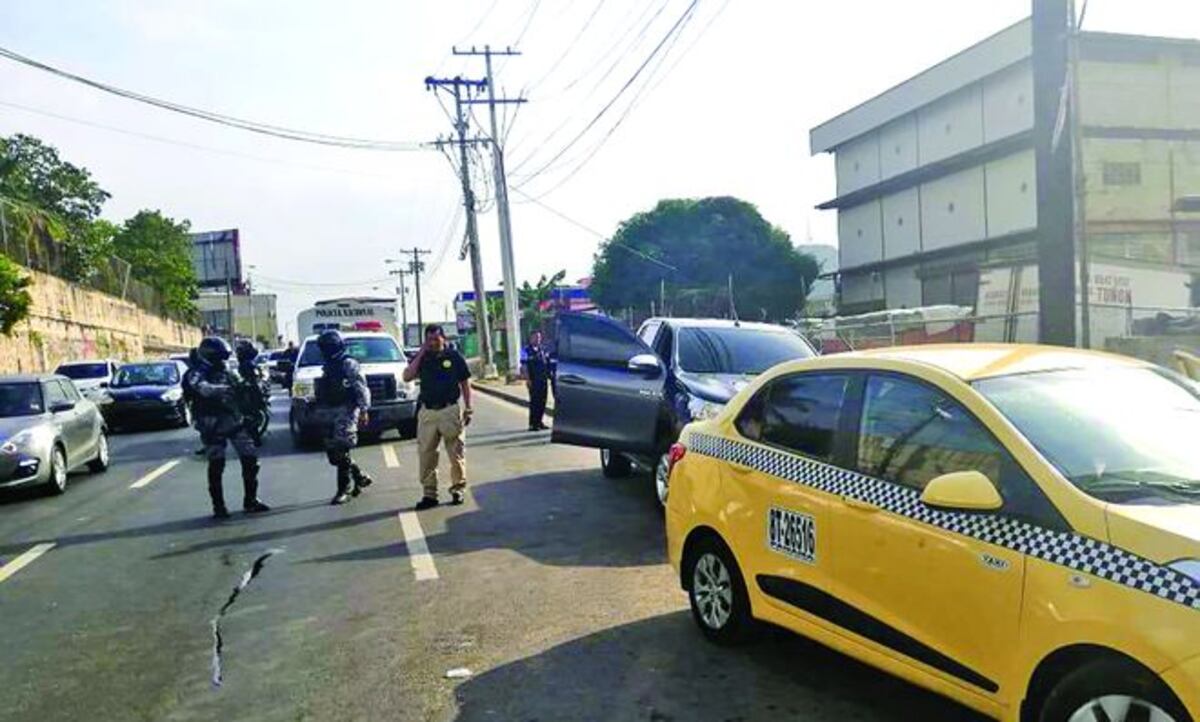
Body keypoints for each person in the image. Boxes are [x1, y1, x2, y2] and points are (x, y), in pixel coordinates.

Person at [188, 337, 270, 519]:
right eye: (219, 357)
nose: (222, 361)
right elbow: (202, 389)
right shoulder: (196, 373)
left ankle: (251, 501)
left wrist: (252, 387)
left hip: (233, 420)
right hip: (211, 423)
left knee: (250, 458)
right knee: (217, 464)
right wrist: (223, 389)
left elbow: (241, 384)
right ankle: (219, 506)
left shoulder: (227, 370)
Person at [403, 324, 472, 510]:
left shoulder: (454, 357)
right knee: (426, 455)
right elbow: (407, 376)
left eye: (436, 338)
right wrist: (420, 353)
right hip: (428, 413)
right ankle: (429, 494)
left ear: (444, 339)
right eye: (429, 339)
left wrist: (468, 407)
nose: (433, 343)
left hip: (449, 411)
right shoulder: (423, 358)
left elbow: (465, 383)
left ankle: (457, 489)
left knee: (455, 453)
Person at [313, 330, 374, 505]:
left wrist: (364, 409)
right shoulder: (327, 365)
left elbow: (361, 386)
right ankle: (359, 476)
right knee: (333, 453)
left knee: (342, 446)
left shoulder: (348, 363)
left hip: (347, 409)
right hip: (330, 409)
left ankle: (343, 490)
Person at [234, 340, 268, 446]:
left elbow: (255, 377)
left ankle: (255, 436)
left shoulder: (248, 363)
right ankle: (254, 436)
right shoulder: (246, 364)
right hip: (248, 391)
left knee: (251, 413)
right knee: (249, 413)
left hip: (250, 391)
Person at [521, 329, 552, 431]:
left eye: (539, 337)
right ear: (531, 338)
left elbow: (547, 363)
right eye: (536, 337)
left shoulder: (542, 350)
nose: (538, 339)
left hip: (543, 380)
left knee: (543, 402)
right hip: (533, 380)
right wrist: (528, 379)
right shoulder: (525, 350)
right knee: (535, 402)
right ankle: (533, 424)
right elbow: (524, 366)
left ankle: (539, 422)